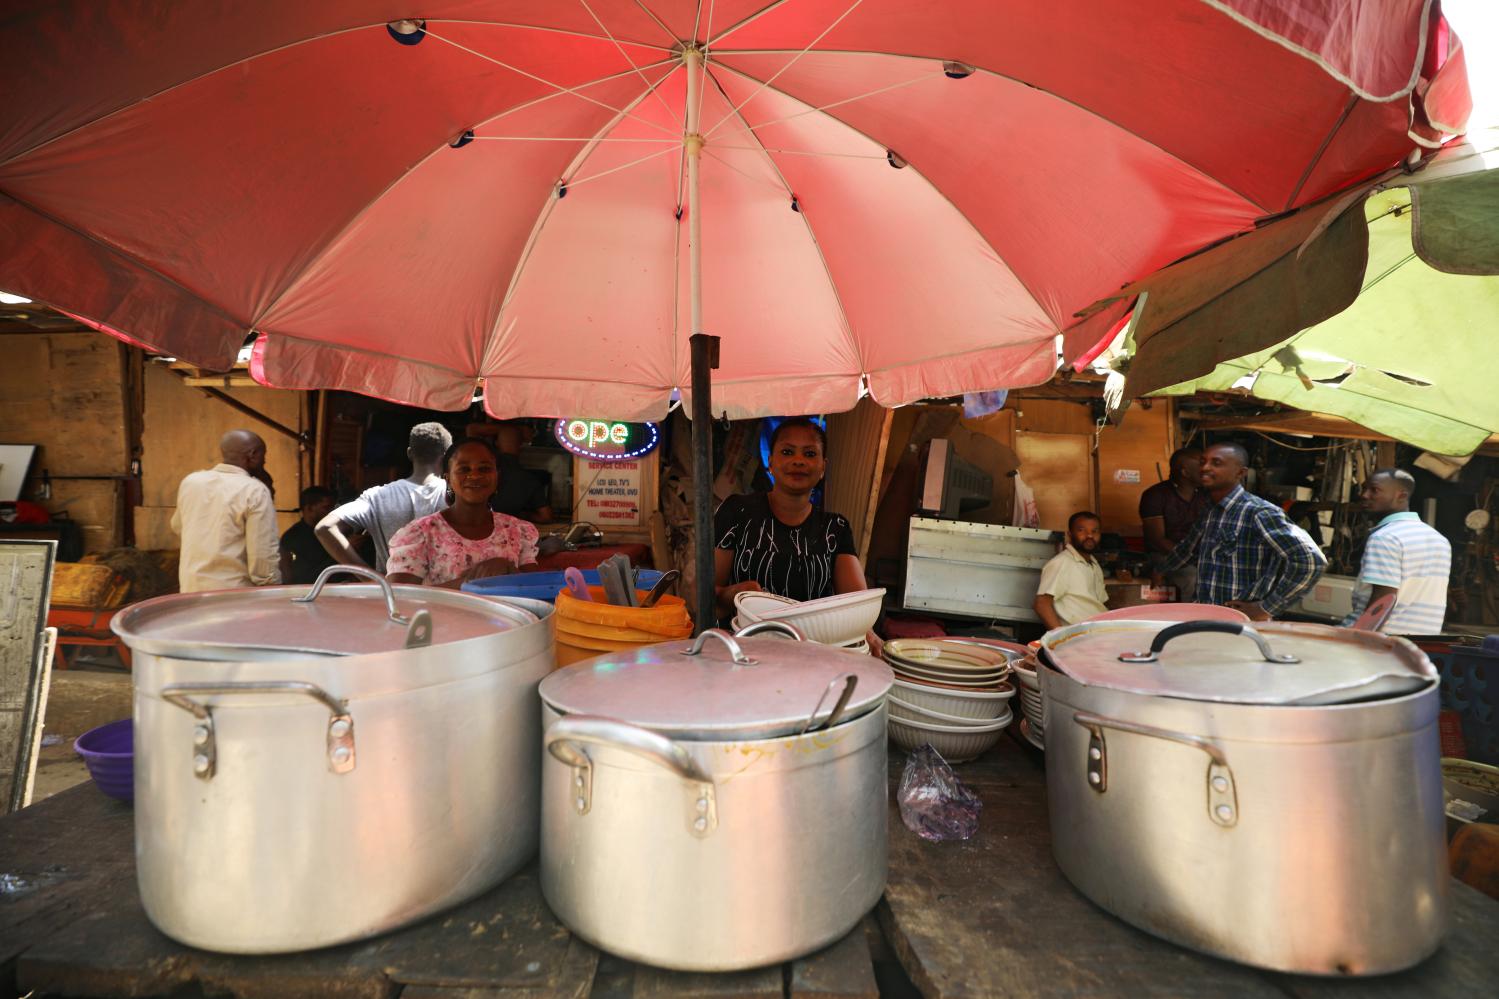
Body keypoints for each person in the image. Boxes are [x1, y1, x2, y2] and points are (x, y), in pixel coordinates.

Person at [714, 417, 864, 619]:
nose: (798, 461)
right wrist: (730, 594)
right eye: (787, 452)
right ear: (770, 462)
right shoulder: (737, 511)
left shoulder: (835, 528)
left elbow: (859, 608)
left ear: (823, 467)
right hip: (741, 646)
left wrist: (869, 634)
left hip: (811, 646)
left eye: (810, 454)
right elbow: (704, 595)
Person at [1157, 442, 1326, 621]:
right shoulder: (1210, 511)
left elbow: (1311, 561)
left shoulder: (1259, 513)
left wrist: (1267, 608)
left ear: (1240, 473)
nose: (1205, 468)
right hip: (1206, 617)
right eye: (1202, 462)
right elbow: (1187, 550)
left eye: (1216, 463)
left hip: (1242, 623)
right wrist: (1161, 570)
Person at [386, 438, 540, 588]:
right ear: (448, 479)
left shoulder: (516, 530)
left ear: (496, 476)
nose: (474, 476)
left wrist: (506, 567)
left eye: (484, 469)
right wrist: (469, 583)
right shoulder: (421, 533)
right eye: (464, 469)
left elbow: (534, 587)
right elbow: (398, 598)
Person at [316, 422, 452, 573]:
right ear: (447, 457)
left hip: (392, 593)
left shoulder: (376, 497)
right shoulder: (456, 495)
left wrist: (369, 577)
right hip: (444, 594)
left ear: (409, 453)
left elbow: (324, 528)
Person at [1342, 468, 1452, 634]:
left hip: (1381, 641)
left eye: (1374, 490)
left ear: (1401, 495)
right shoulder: (1440, 540)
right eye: (1364, 489)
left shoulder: (1385, 538)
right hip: (1420, 642)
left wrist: (1358, 641)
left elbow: (1382, 602)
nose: (1364, 495)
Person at [171, 429, 280, 593]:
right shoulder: (255, 490)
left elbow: (177, 526)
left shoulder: (191, 482)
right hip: (233, 596)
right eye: (263, 456)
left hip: (191, 590)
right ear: (252, 454)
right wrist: (274, 592)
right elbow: (263, 560)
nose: (264, 462)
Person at [1139, 447, 1206, 600]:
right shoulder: (1155, 495)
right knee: (1191, 577)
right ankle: (1191, 622)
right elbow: (1157, 541)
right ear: (1185, 472)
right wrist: (1193, 557)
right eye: (1201, 466)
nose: (1206, 469)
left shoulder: (1205, 494)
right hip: (1163, 555)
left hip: (1196, 555)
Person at [1033, 512, 1110, 628]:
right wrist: (1060, 638)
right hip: (1077, 638)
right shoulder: (1062, 563)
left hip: (1096, 635)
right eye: (1081, 530)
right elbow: (1041, 604)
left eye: (1094, 531)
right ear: (1070, 534)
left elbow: (1099, 603)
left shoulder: (1094, 564)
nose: (1089, 535)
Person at [488, 422, 553, 523]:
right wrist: (523, 515)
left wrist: (515, 428)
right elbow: (546, 517)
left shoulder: (484, 470)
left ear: (496, 443)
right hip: (509, 528)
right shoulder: (530, 480)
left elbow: (472, 429)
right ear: (521, 445)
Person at [279, 486, 339, 585]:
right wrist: (341, 550)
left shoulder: (330, 531)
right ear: (309, 508)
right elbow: (306, 577)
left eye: (332, 507)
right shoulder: (293, 538)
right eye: (326, 507)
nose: (331, 512)